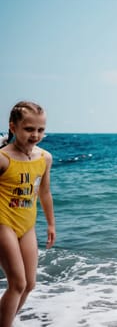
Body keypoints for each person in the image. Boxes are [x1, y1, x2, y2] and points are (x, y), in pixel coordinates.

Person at [0, 101, 56, 326]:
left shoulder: (44, 158)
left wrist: (51, 224)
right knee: (18, 283)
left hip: (27, 225)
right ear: (13, 128)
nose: (35, 135)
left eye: (40, 130)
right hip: (3, 223)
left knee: (30, 284)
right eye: (29, 129)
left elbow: (44, 192)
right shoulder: (3, 158)